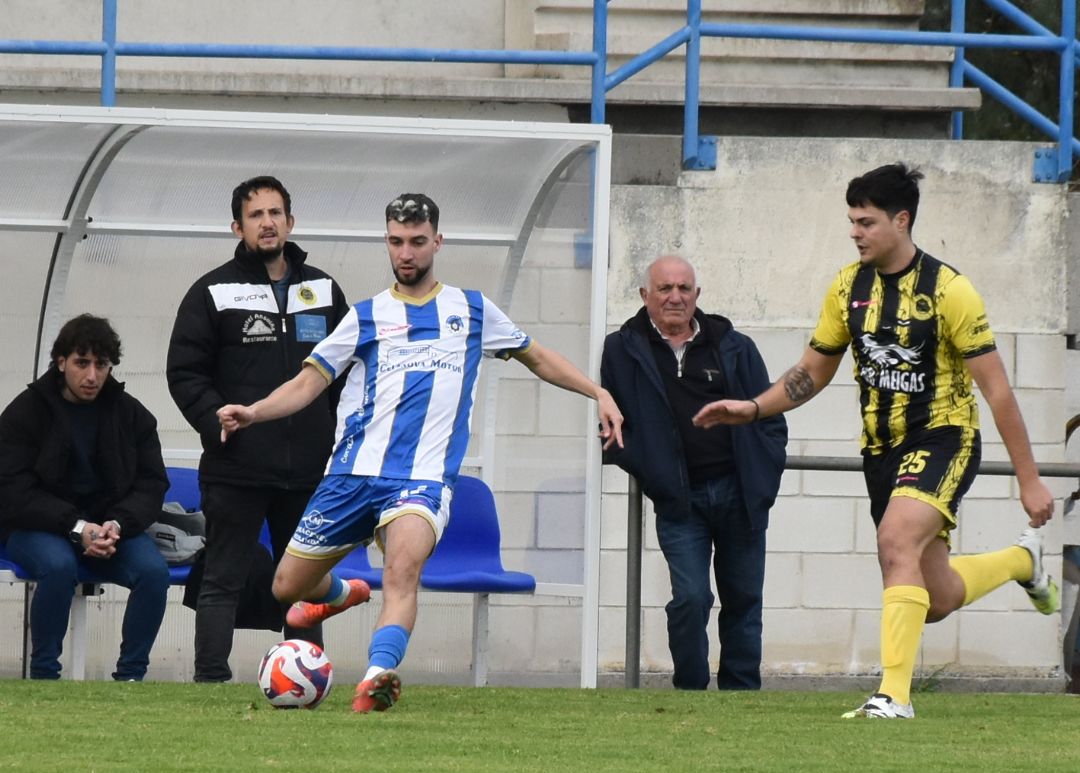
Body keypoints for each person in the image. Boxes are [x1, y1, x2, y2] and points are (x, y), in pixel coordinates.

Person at [217, 193, 624, 712]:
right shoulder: (365, 316)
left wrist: (599, 393)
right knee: (286, 587)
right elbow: (306, 385)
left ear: (437, 240)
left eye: (415, 242)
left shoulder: (473, 310)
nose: (405, 253)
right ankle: (342, 594)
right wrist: (253, 412)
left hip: (421, 479)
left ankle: (377, 676)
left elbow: (538, 358)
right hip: (351, 475)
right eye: (395, 242)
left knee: (402, 570)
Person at [693, 162, 1057, 719]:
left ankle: (893, 696)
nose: (854, 232)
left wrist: (1029, 480)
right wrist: (752, 407)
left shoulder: (951, 291)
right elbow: (812, 371)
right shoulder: (848, 287)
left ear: (901, 220)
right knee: (937, 600)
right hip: (881, 451)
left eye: (865, 222)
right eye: (851, 221)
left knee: (894, 543)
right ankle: (1019, 563)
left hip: (943, 438)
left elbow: (999, 393)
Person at [167, 175, 351, 682]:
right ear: (237, 227)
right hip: (237, 467)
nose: (267, 223)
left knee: (304, 583)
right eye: (256, 215)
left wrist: (336, 437)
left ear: (291, 222)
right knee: (223, 578)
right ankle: (210, 679)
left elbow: (347, 372)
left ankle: (305, 680)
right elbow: (185, 372)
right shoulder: (212, 291)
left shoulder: (324, 289)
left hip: (309, 472)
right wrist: (213, 418)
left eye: (275, 213)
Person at [600, 255, 787, 690]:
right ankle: (690, 688)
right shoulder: (622, 349)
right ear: (645, 296)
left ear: (697, 295)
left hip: (740, 495)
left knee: (743, 599)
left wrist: (763, 478)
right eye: (664, 289)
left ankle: (741, 693)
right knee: (692, 598)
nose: (675, 297)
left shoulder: (734, 346)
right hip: (680, 501)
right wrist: (654, 474)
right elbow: (618, 426)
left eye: (684, 288)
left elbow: (771, 417)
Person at [0, 314, 170, 681]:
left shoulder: (132, 415)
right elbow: (12, 490)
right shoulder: (25, 413)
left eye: (101, 364)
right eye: (82, 363)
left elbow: (152, 484)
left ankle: (130, 678)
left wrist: (117, 524)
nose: (92, 376)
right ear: (61, 362)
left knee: (154, 573)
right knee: (59, 567)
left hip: (111, 530)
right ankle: (45, 675)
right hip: (39, 527)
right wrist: (76, 527)